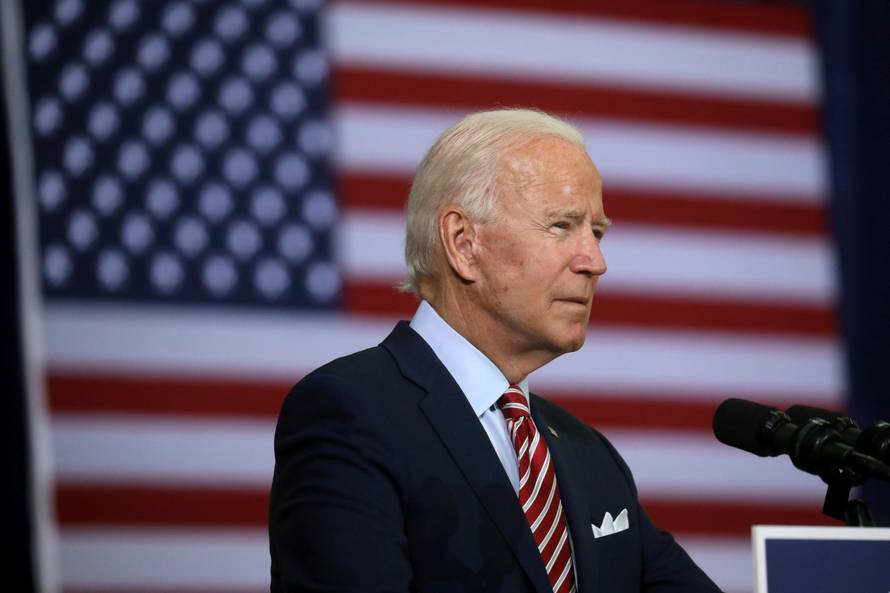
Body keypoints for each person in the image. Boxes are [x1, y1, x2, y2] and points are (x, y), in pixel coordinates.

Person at [269, 109, 722, 593]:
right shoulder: (351, 412)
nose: (596, 262)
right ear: (463, 244)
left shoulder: (588, 454)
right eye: (562, 226)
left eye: (598, 232)